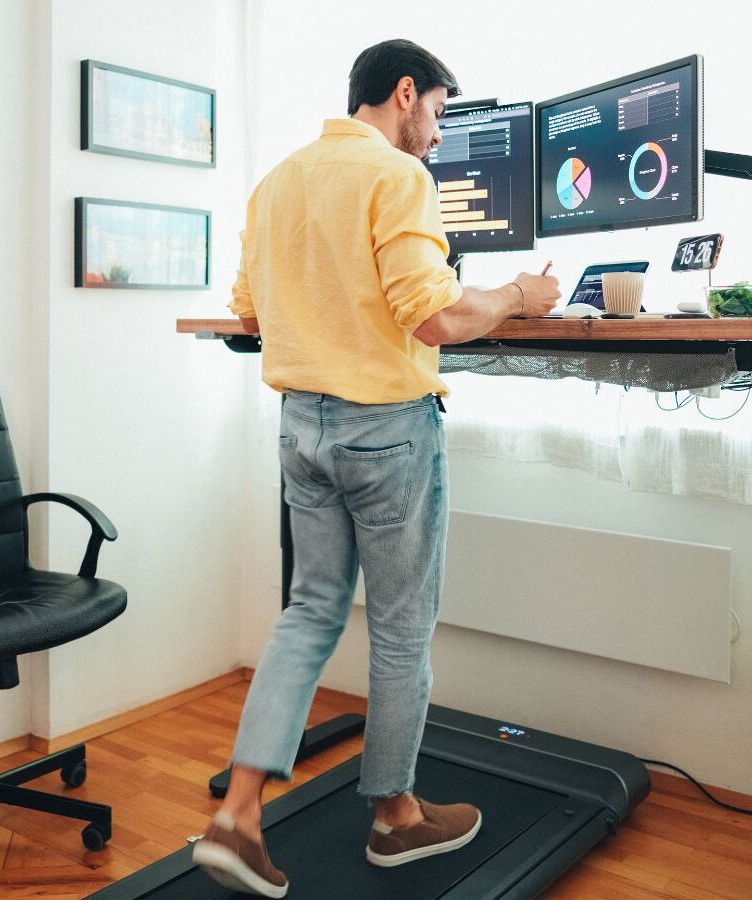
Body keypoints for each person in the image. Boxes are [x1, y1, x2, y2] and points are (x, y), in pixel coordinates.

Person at [192, 38, 560, 897]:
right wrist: (514, 297)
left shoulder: (278, 179)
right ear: (404, 95)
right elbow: (432, 319)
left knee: (310, 610)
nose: (437, 136)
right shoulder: (398, 179)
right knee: (399, 627)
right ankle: (395, 818)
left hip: (300, 426)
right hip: (385, 429)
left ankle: (237, 814)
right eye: (436, 112)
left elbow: (247, 311)